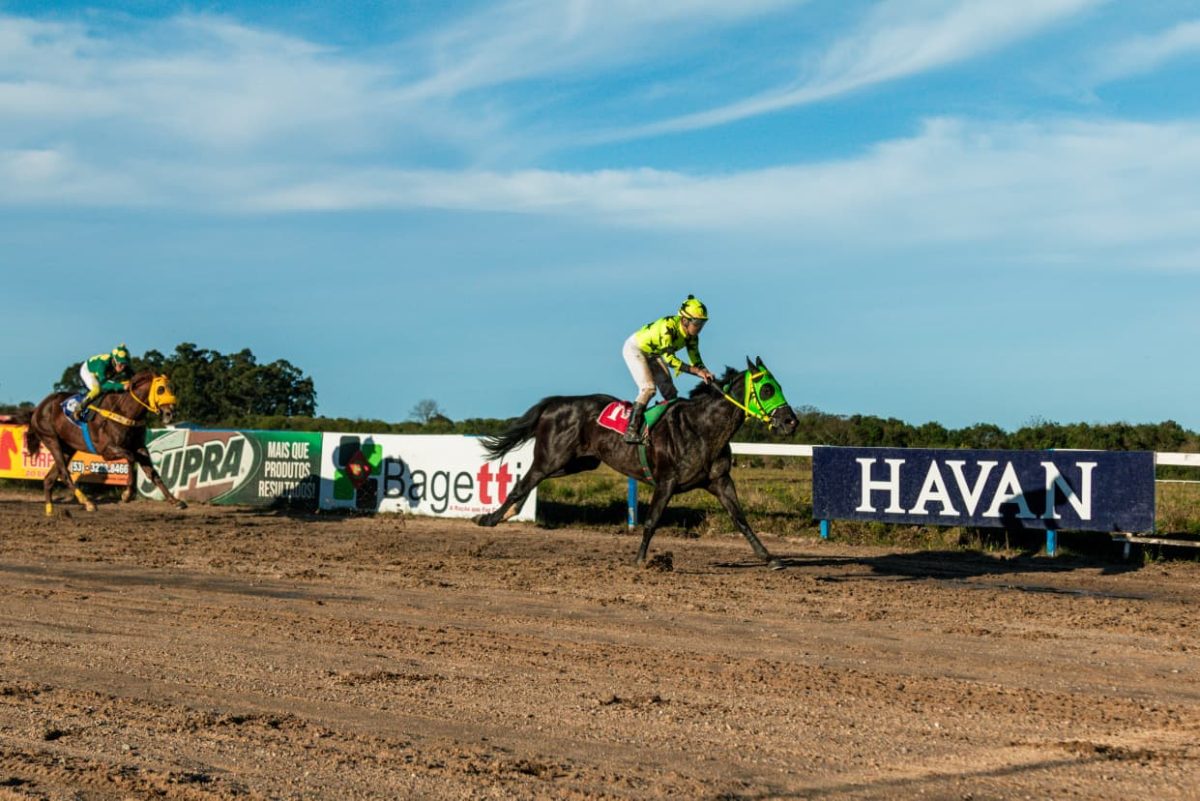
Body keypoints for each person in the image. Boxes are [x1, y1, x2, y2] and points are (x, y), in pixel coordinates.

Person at [622, 296, 716, 444]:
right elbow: (671, 361)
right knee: (649, 389)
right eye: (697, 322)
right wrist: (697, 372)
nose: (700, 327)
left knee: (671, 394)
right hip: (635, 349)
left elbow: (696, 359)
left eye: (703, 322)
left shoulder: (692, 337)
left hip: (653, 353)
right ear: (685, 320)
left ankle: (664, 430)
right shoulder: (668, 327)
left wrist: (705, 371)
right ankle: (631, 431)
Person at [69, 344, 132, 421]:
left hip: (101, 374)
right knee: (97, 389)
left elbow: (133, 376)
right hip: (88, 371)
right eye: (121, 364)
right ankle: (78, 408)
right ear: (114, 360)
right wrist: (122, 386)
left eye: (125, 364)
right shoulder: (103, 364)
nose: (123, 367)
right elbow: (103, 384)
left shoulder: (120, 363)